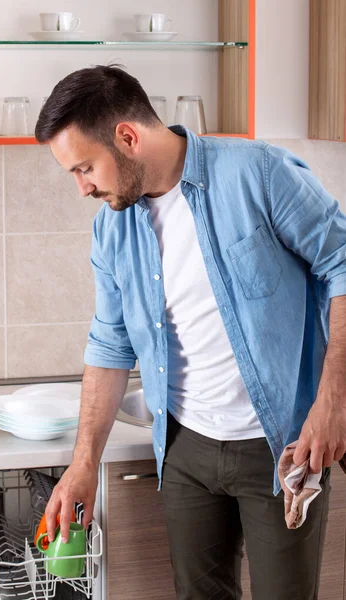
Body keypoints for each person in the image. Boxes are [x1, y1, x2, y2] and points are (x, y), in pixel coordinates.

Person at [35, 64, 346, 599]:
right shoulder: (113, 226)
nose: (82, 187)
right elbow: (110, 343)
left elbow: (341, 262)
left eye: (85, 167)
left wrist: (333, 400)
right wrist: (83, 464)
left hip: (279, 447)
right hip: (184, 451)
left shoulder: (258, 173)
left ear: (127, 137)